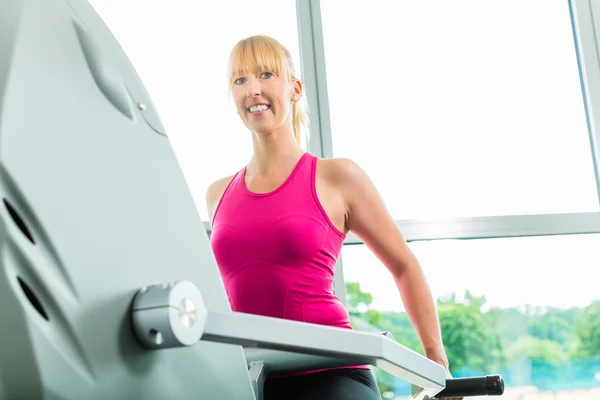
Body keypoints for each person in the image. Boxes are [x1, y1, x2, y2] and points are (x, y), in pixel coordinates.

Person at [206, 35, 462, 400]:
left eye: (266, 74)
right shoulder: (217, 194)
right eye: (240, 80)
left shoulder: (336, 177)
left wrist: (437, 363)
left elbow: (404, 265)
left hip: (331, 372)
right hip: (249, 377)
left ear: (294, 89)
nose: (253, 89)